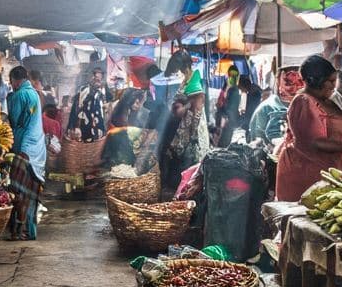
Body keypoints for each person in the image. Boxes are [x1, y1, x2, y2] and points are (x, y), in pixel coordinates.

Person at [274, 55, 342, 201]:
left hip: (334, 177)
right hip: (311, 180)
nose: (334, 85)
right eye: (331, 81)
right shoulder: (304, 102)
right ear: (317, 81)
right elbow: (316, 142)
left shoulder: (326, 101)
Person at [7, 66, 48, 240]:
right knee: (31, 193)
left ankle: (18, 230)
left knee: (19, 191)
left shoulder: (18, 95)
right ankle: (30, 231)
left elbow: (15, 121)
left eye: (11, 82)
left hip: (24, 148)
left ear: (16, 80)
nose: (11, 85)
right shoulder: (35, 94)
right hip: (38, 149)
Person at [161, 50, 209, 192]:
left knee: (189, 172)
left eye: (180, 70)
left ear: (185, 67)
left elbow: (196, 110)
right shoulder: (187, 80)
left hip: (193, 133)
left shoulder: (195, 81)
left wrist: (184, 108)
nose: (179, 73)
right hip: (184, 129)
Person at [248, 66, 302, 145]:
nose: (295, 87)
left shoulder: (307, 106)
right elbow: (257, 138)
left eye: (299, 82)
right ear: (278, 82)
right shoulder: (266, 108)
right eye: (288, 82)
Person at [102, 88, 151, 170]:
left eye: (139, 103)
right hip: (118, 152)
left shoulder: (137, 114)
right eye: (136, 103)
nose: (137, 106)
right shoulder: (121, 112)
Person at [67, 67, 114, 142]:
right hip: (84, 130)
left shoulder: (106, 94)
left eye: (99, 77)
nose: (97, 79)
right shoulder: (83, 91)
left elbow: (109, 113)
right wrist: (72, 127)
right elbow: (75, 110)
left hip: (101, 132)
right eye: (95, 76)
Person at [216, 65, 242, 147]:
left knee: (223, 143)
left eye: (234, 75)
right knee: (223, 143)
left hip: (228, 120)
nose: (232, 77)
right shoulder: (231, 89)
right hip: (227, 120)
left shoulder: (233, 90)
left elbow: (230, 107)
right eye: (231, 75)